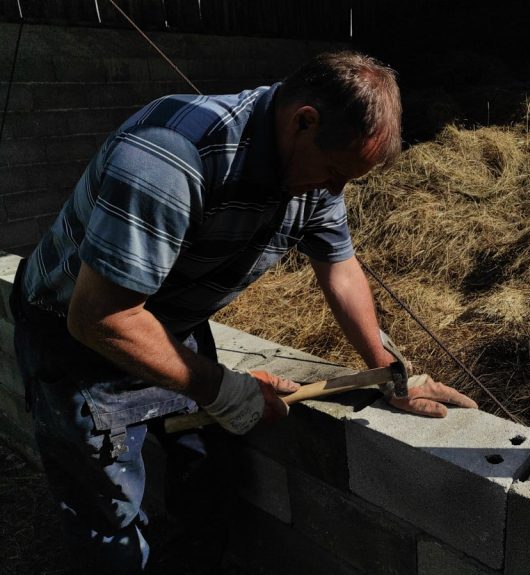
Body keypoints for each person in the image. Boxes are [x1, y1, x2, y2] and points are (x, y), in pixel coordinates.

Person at [9, 51, 477, 573]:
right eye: (336, 172)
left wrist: (391, 372)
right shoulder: (169, 157)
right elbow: (99, 318)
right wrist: (220, 387)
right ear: (304, 121)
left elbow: (340, 267)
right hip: (77, 338)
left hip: (169, 322)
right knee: (110, 517)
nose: (335, 191)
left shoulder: (313, 167)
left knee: (207, 477)